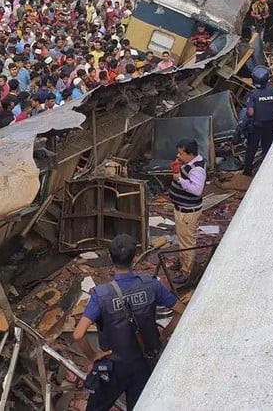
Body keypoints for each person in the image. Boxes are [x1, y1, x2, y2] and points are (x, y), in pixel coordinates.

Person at [73, 234, 185, 411]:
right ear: (134, 258)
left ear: (110, 258)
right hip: (144, 362)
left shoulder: (100, 295)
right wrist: (163, 335)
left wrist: (92, 356)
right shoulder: (151, 285)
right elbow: (181, 311)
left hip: (113, 367)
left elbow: (78, 334)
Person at [169, 139, 207, 286]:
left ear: (190, 154)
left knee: (187, 242)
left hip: (187, 211)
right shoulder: (190, 163)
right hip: (181, 208)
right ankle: (182, 262)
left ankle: (186, 271)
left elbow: (197, 190)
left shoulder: (197, 169)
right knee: (183, 238)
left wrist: (179, 180)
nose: (178, 156)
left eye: (181, 153)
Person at [243, 66, 273, 176]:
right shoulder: (272, 90)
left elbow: (250, 112)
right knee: (267, 146)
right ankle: (267, 169)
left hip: (256, 125)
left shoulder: (253, 94)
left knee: (252, 147)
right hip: (270, 123)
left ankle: (247, 170)